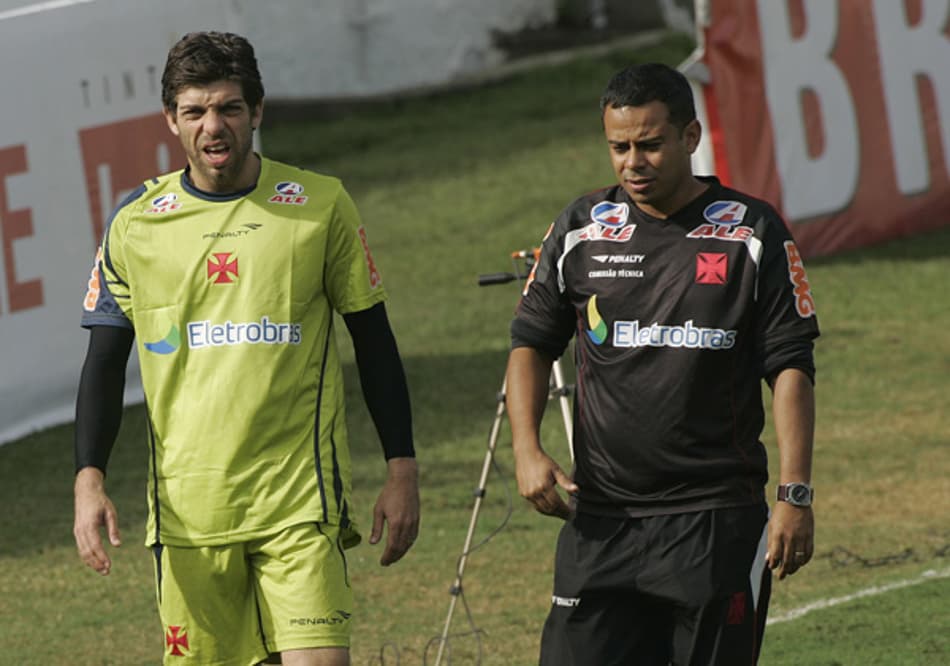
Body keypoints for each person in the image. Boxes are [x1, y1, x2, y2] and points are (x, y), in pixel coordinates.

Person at [73, 31, 419, 666]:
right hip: (188, 520)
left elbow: (374, 342)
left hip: (299, 508)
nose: (214, 126)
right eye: (196, 110)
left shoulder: (320, 206)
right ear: (170, 120)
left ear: (257, 111)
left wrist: (402, 468)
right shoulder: (135, 223)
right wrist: (88, 478)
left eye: (230, 107)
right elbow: (103, 359)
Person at [505, 62, 819, 664]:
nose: (632, 163)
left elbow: (790, 367)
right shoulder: (580, 229)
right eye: (618, 147)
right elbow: (530, 342)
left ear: (690, 138)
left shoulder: (753, 233)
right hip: (601, 520)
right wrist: (526, 447)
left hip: (714, 522)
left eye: (649, 145)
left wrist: (794, 494)